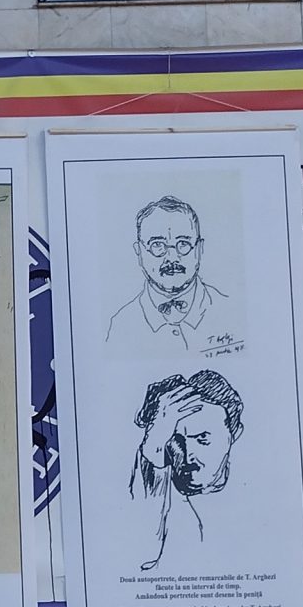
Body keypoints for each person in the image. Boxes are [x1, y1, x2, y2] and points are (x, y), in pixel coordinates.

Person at [129, 370, 245, 572]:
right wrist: (153, 445)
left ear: (233, 435)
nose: (188, 456)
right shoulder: (153, 498)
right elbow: (139, 554)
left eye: (202, 438)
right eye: (175, 440)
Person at [108, 197, 227, 350]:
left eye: (183, 243)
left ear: (199, 248)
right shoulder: (120, 325)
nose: (172, 258)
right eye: (157, 245)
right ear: (139, 251)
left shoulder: (230, 311)